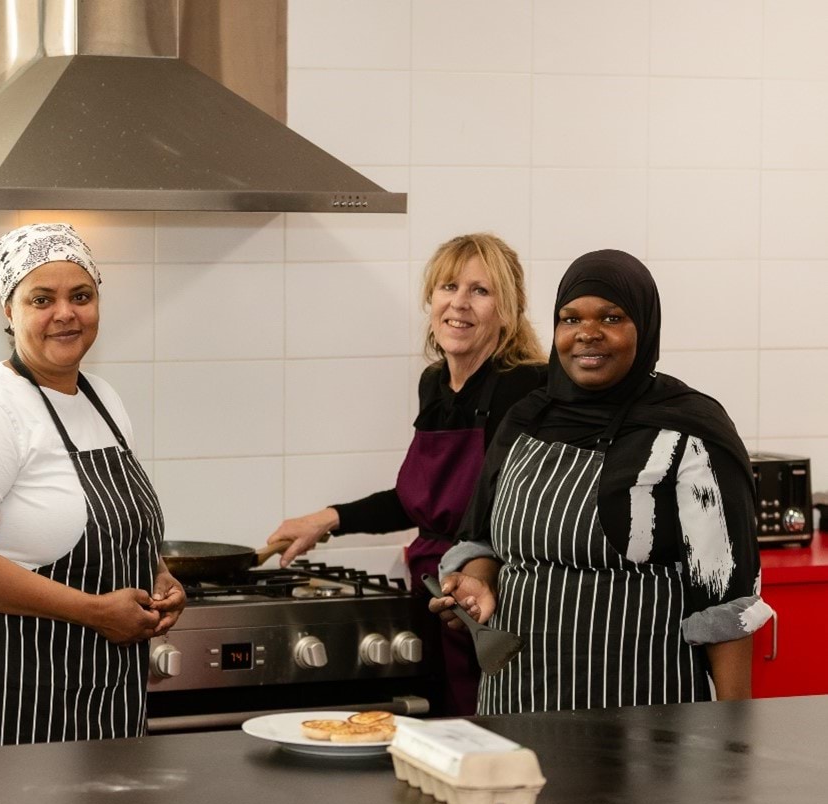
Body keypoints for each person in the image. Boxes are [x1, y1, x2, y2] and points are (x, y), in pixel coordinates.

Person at [429, 249, 771, 714]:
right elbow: (483, 540)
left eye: (611, 317)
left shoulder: (686, 431)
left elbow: (724, 599)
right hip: (515, 699)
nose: (587, 333)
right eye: (570, 319)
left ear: (644, 327)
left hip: (639, 709)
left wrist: (734, 734)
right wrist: (477, 583)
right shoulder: (526, 419)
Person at [0, 223, 184, 749]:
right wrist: (96, 612)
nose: (66, 313)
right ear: (9, 313)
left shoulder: (102, 399)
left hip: (104, 676)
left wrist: (158, 576)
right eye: (42, 299)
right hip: (5, 674)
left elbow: (111, 526)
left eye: (81, 296)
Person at [267, 233, 546, 714]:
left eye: (481, 291)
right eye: (448, 287)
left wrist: (477, 573)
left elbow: (513, 513)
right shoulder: (435, 383)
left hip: (494, 601)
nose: (459, 304)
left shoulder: (522, 387)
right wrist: (326, 520)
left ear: (509, 310)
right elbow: (419, 498)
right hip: (437, 591)